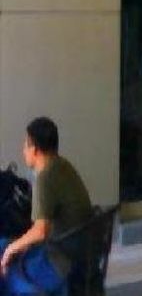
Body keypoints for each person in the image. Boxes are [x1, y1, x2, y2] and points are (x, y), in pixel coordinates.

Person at [0, 117, 92, 295]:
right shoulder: (62, 165)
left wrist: (12, 250)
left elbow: (40, 231)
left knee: (6, 272)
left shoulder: (45, 179)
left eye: (26, 145)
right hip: (76, 249)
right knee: (3, 243)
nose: (23, 151)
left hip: (59, 261)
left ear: (34, 149)